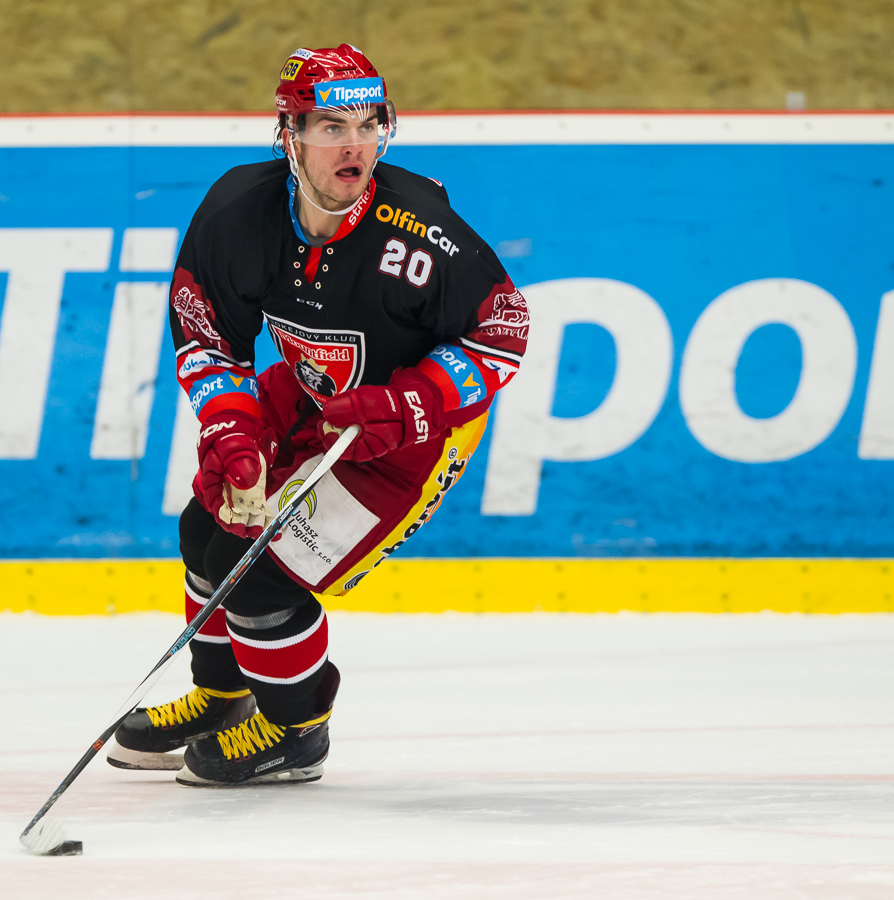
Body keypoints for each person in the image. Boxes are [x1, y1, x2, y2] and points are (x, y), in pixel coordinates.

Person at [107, 44, 528, 786]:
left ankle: (297, 731)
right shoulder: (237, 214)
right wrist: (232, 430)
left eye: (369, 125)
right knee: (206, 526)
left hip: (411, 433)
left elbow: (501, 332)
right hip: (310, 394)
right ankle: (224, 697)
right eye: (332, 126)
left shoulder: (422, 233)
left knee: (265, 578)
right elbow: (209, 340)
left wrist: (409, 403)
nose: (355, 145)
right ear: (289, 135)